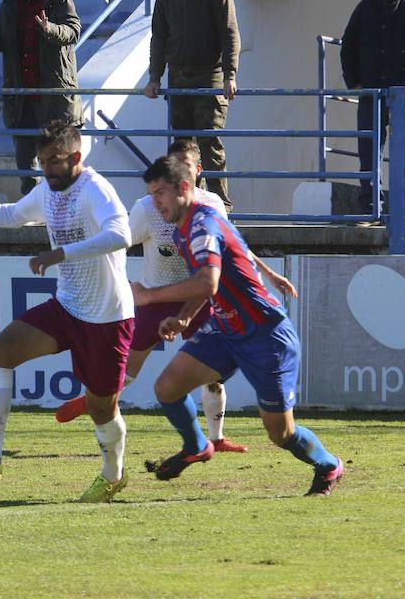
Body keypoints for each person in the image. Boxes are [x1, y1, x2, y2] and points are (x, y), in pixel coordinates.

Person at [0, 120, 134, 503]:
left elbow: (121, 235)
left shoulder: (95, 189)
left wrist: (61, 253)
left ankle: (113, 475)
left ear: (75, 157)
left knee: (102, 406)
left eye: (54, 161)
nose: (47, 169)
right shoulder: (48, 190)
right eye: (42, 162)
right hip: (67, 305)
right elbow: (14, 214)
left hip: (107, 316)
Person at [55, 140, 298, 454]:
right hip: (156, 296)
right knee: (127, 369)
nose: (179, 168)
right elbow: (119, 242)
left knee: (213, 375)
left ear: (197, 171)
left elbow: (234, 245)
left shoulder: (212, 204)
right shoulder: (148, 207)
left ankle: (216, 438)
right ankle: (94, 399)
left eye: (186, 163)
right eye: (175, 162)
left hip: (198, 296)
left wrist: (269, 274)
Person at [141, 155, 344, 496]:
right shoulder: (183, 230)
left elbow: (207, 282)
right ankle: (196, 446)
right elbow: (211, 283)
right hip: (226, 330)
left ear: (184, 188)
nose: (155, 201)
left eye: (160, 192)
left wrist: (148, 296)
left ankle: (328, 465)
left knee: (280, 434)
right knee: (167, 388)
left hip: (266, 336)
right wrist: (185, 317)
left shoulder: (202, 225)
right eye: (151, 194)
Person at [340, 0, 405, 223]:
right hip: (372, 95)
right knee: (369, 153)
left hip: (404, 96)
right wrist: (355, 82)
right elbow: (348, 45)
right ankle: (370, 209)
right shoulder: (365, 8)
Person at [0, 0, 83, 196]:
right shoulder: (9, 5)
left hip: (54, 97)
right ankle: (35, 212)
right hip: (21, 98)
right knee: (26, 165)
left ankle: (66, 214)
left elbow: (73, 31)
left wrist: (50, 28)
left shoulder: (60, 1)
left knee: (61, 164)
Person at [146, 0, 239, 213]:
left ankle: (220, 209)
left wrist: (229, 75)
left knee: (209, 142)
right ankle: (185, 206)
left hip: (210, 75)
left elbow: (229, 32)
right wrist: (155, 77)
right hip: (178, 76)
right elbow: (159, 37)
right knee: (181, 147)